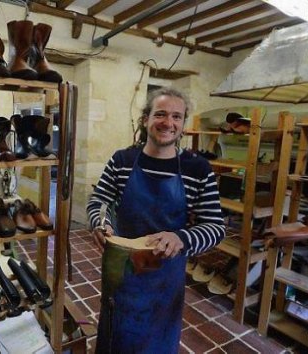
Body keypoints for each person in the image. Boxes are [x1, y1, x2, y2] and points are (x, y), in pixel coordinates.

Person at [87, 87, 225, 353]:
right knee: (116, 339)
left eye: (176, 116)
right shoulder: (122, 160)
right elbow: (99, 201)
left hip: (165, 280)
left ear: (183, 124)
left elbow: (215, 226)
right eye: (160, 114)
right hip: (122, 273)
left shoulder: (198, 169)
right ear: (145, 119)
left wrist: (182, 237)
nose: (168, 123)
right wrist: (99, 221)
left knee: (157, 343)